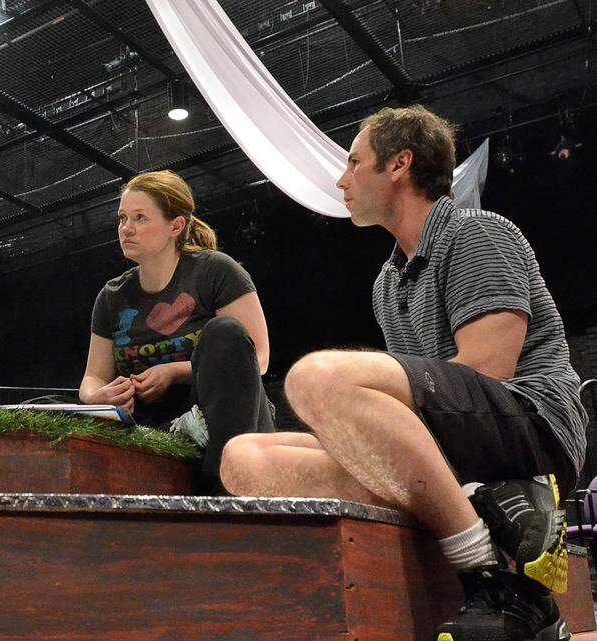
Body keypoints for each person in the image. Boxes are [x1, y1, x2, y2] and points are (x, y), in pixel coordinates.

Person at [219, 105, 586, 641]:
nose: (341, 179)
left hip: (532, 429)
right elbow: (411, 416)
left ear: (399, 165)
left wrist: (358, 423)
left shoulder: (479, 233)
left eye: (354, 163)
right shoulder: (386, 284)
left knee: (313, 379)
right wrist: (365, 437)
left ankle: (482, 569)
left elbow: (490, 369)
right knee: (244, 459)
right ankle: (493, 511)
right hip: (454, 444)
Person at [79, 170, 275, 494]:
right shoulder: (111, 297)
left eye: (140, 218)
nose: (126, 229)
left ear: (176, 226)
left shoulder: (215, 270)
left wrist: (174, 372)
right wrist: (98, 398)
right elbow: (92, 378)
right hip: (155, 430)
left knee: (225, 332)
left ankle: (223, 485)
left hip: (227, 424)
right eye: (122, 218)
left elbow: (259, 358)